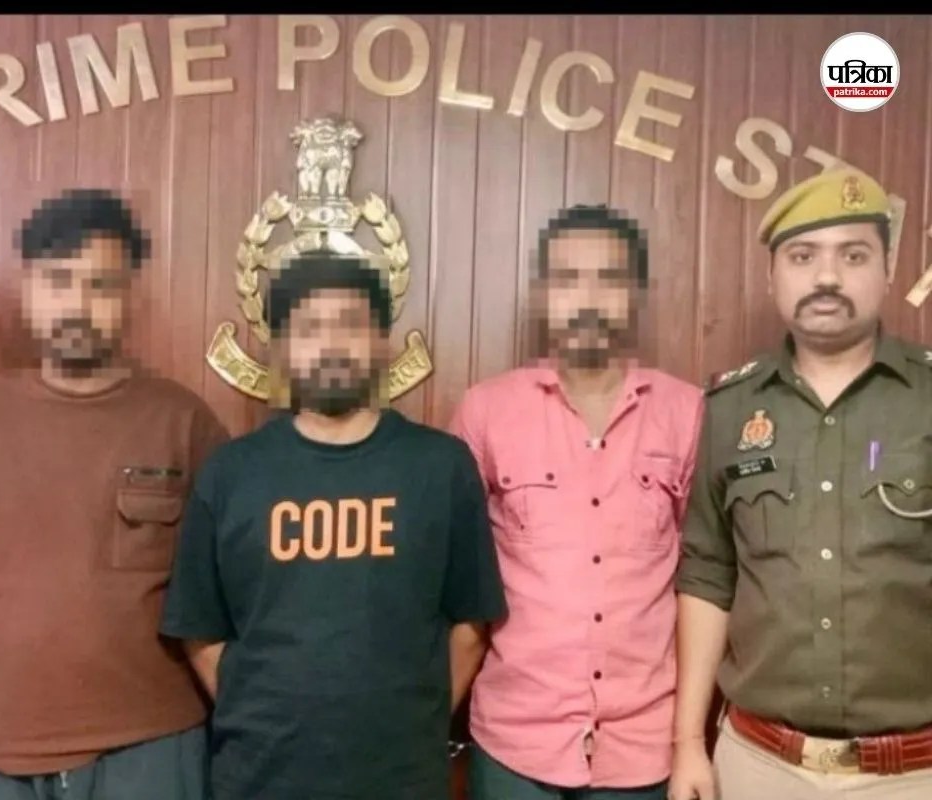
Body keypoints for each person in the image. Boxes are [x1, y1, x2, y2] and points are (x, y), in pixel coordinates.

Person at [0, 189, 228, 800]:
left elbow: (221, 585)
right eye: (56, 281)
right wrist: (20, 600)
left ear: (130, 297)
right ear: (26, 290)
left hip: (151, 741)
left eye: (100, 285)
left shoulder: (184, 422)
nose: (77, 304)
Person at [159, 251, 507, 800]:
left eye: (350, 324)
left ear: (382, 341)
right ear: (280, 349)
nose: (331, 344)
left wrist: (410, 723)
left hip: (403, 779)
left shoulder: (441, 467)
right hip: (259, 778)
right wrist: (263, 718)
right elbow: (200, 630)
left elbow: (471, 623)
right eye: (309, 328)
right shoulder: (231, 473)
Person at [670, 168, 932, 800]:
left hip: (913, 775)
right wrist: (686, 744)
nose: (827, 277)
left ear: (887, 270)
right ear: (772, 276)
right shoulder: (730, 409)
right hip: (759, 765)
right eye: (803, 255)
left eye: (854, 255)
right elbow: (708, 577)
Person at [450, 206, 703, 800]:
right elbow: (454, 578)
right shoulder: (486, 411)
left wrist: (690, 738)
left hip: (643, 747)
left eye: (608, 279)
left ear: (636, 295)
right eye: (568, 278)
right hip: (514, 742)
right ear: (541, 294)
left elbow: (706, 579)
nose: (587, 299)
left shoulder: (687, 412)